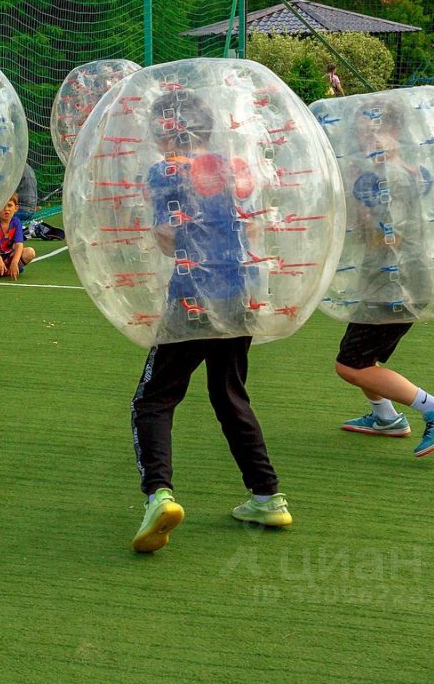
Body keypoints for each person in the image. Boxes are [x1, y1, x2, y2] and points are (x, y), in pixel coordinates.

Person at [130, 90, 291, 554]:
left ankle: (159, 495)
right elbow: (253, 227)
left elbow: (167, 238)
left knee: (153, 400)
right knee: (229, 394)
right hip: (239, 294)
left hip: (191, 298)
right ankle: (268, 496)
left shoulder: (165, 171)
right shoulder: (233, 166)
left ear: (165, 131)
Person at [334, 101, 434, 456]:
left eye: (373, 132)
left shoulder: (390, 178)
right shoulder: (392, 171)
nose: (365, 140)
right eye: (361, 133)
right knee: (362, 356)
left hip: (395, 286)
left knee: (350, 365)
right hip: (389, 282)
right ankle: (385, 418)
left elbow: (387, 236)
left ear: (394, 133)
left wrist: (355, 210)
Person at [0, 195, 36, 278]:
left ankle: (3, 270)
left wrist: (15, 262)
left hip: (7, 254)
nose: (6, 209)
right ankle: (0, 270)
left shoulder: (16, 222)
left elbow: (19, 244)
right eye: (2, 206)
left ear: (16, 208)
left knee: (30, 252)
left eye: (10, 205)